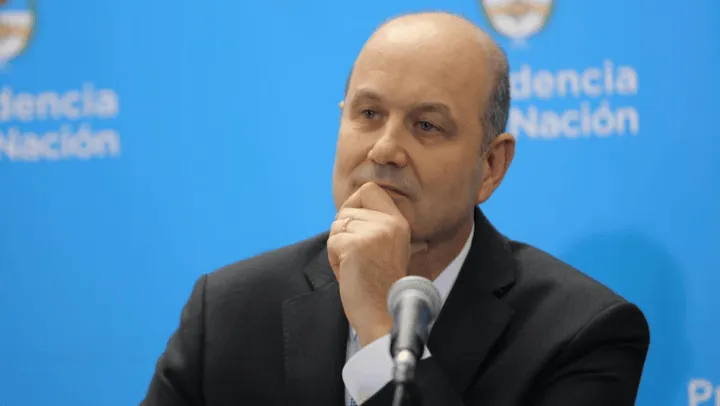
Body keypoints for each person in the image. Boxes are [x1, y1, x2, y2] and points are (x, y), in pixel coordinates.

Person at [141, 11, 650, 406]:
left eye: (426, 125)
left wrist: (380, 325)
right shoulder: (227, 310)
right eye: (368, 114)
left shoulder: (582, 333)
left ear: (491, 166)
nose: (384, 149)